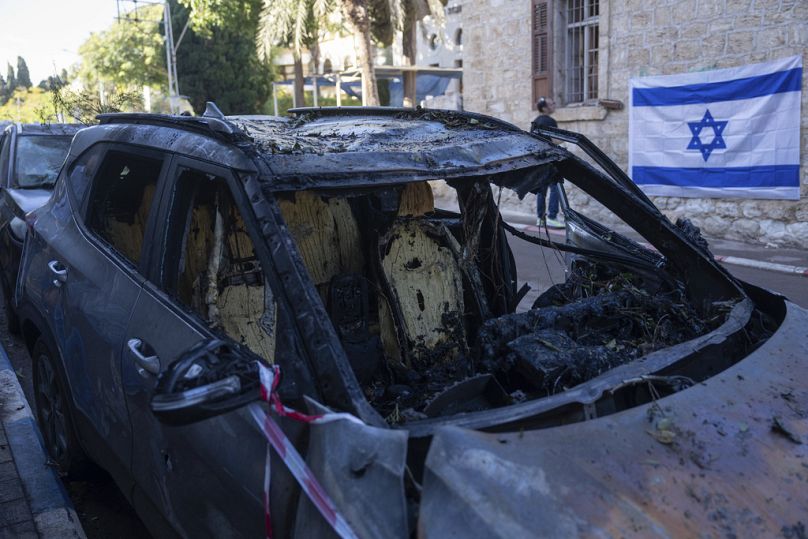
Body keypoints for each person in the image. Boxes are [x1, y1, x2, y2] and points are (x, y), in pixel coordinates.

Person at [531, 97, 564, 229]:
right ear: (544, 108)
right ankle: (552, 217)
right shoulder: (550, 121)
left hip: (538, 160)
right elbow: (555, 140)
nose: (554, 105)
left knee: (541, 189)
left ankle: (540, 218)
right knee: (555, 186)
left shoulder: (535, 122)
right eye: (552, 104)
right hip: (550, 159)